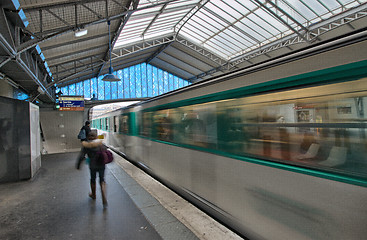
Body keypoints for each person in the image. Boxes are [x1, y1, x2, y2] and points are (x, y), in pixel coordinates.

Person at [82, 132, 107, 206]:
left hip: (92, 166)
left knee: (93, 179)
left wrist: (78, 165)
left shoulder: (86, 146)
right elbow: (106, 149)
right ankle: (103, 195)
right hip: (101, 164)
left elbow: (81, 156)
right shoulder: (100, 144)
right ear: (96, 137)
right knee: (102, 180)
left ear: (88, 137)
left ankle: (93, 195)